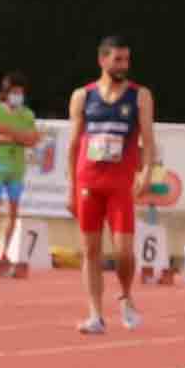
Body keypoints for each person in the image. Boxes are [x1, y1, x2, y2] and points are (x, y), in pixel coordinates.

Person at [64, 38, 160, 337]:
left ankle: (126, 295)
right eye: (117, 60)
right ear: (102, 61)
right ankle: (95, 314)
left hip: (120, 183)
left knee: (124, 251)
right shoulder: (83, 96)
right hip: (88, 181)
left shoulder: (139, 96)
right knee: (89, 250)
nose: (123, 66)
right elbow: (73, 143)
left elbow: (148, 138)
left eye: (126, 60)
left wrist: (146, 173)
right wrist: (70, 185)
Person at [0, 72, 40, 274]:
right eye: (14, 92)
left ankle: (4, 252)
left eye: (21, 92)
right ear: (6, 93)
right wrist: (14, 138)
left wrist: (6, 132)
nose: (18, 95)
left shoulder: (27, 114)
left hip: (17, 169)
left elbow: (33, 139)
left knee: (13, 212)